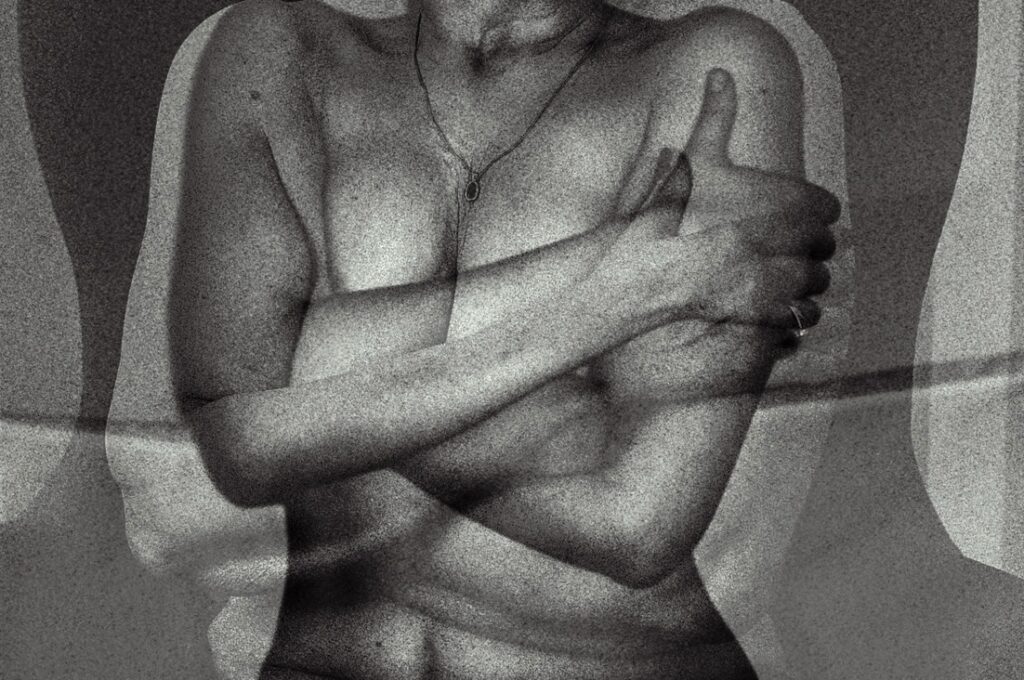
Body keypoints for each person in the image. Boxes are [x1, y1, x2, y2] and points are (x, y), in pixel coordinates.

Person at [166, 0, 839, 677]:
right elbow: (240, 449)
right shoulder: (277, 50)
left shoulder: (713, 63)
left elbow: (635, 523)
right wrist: (613, 291)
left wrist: (313, 392)